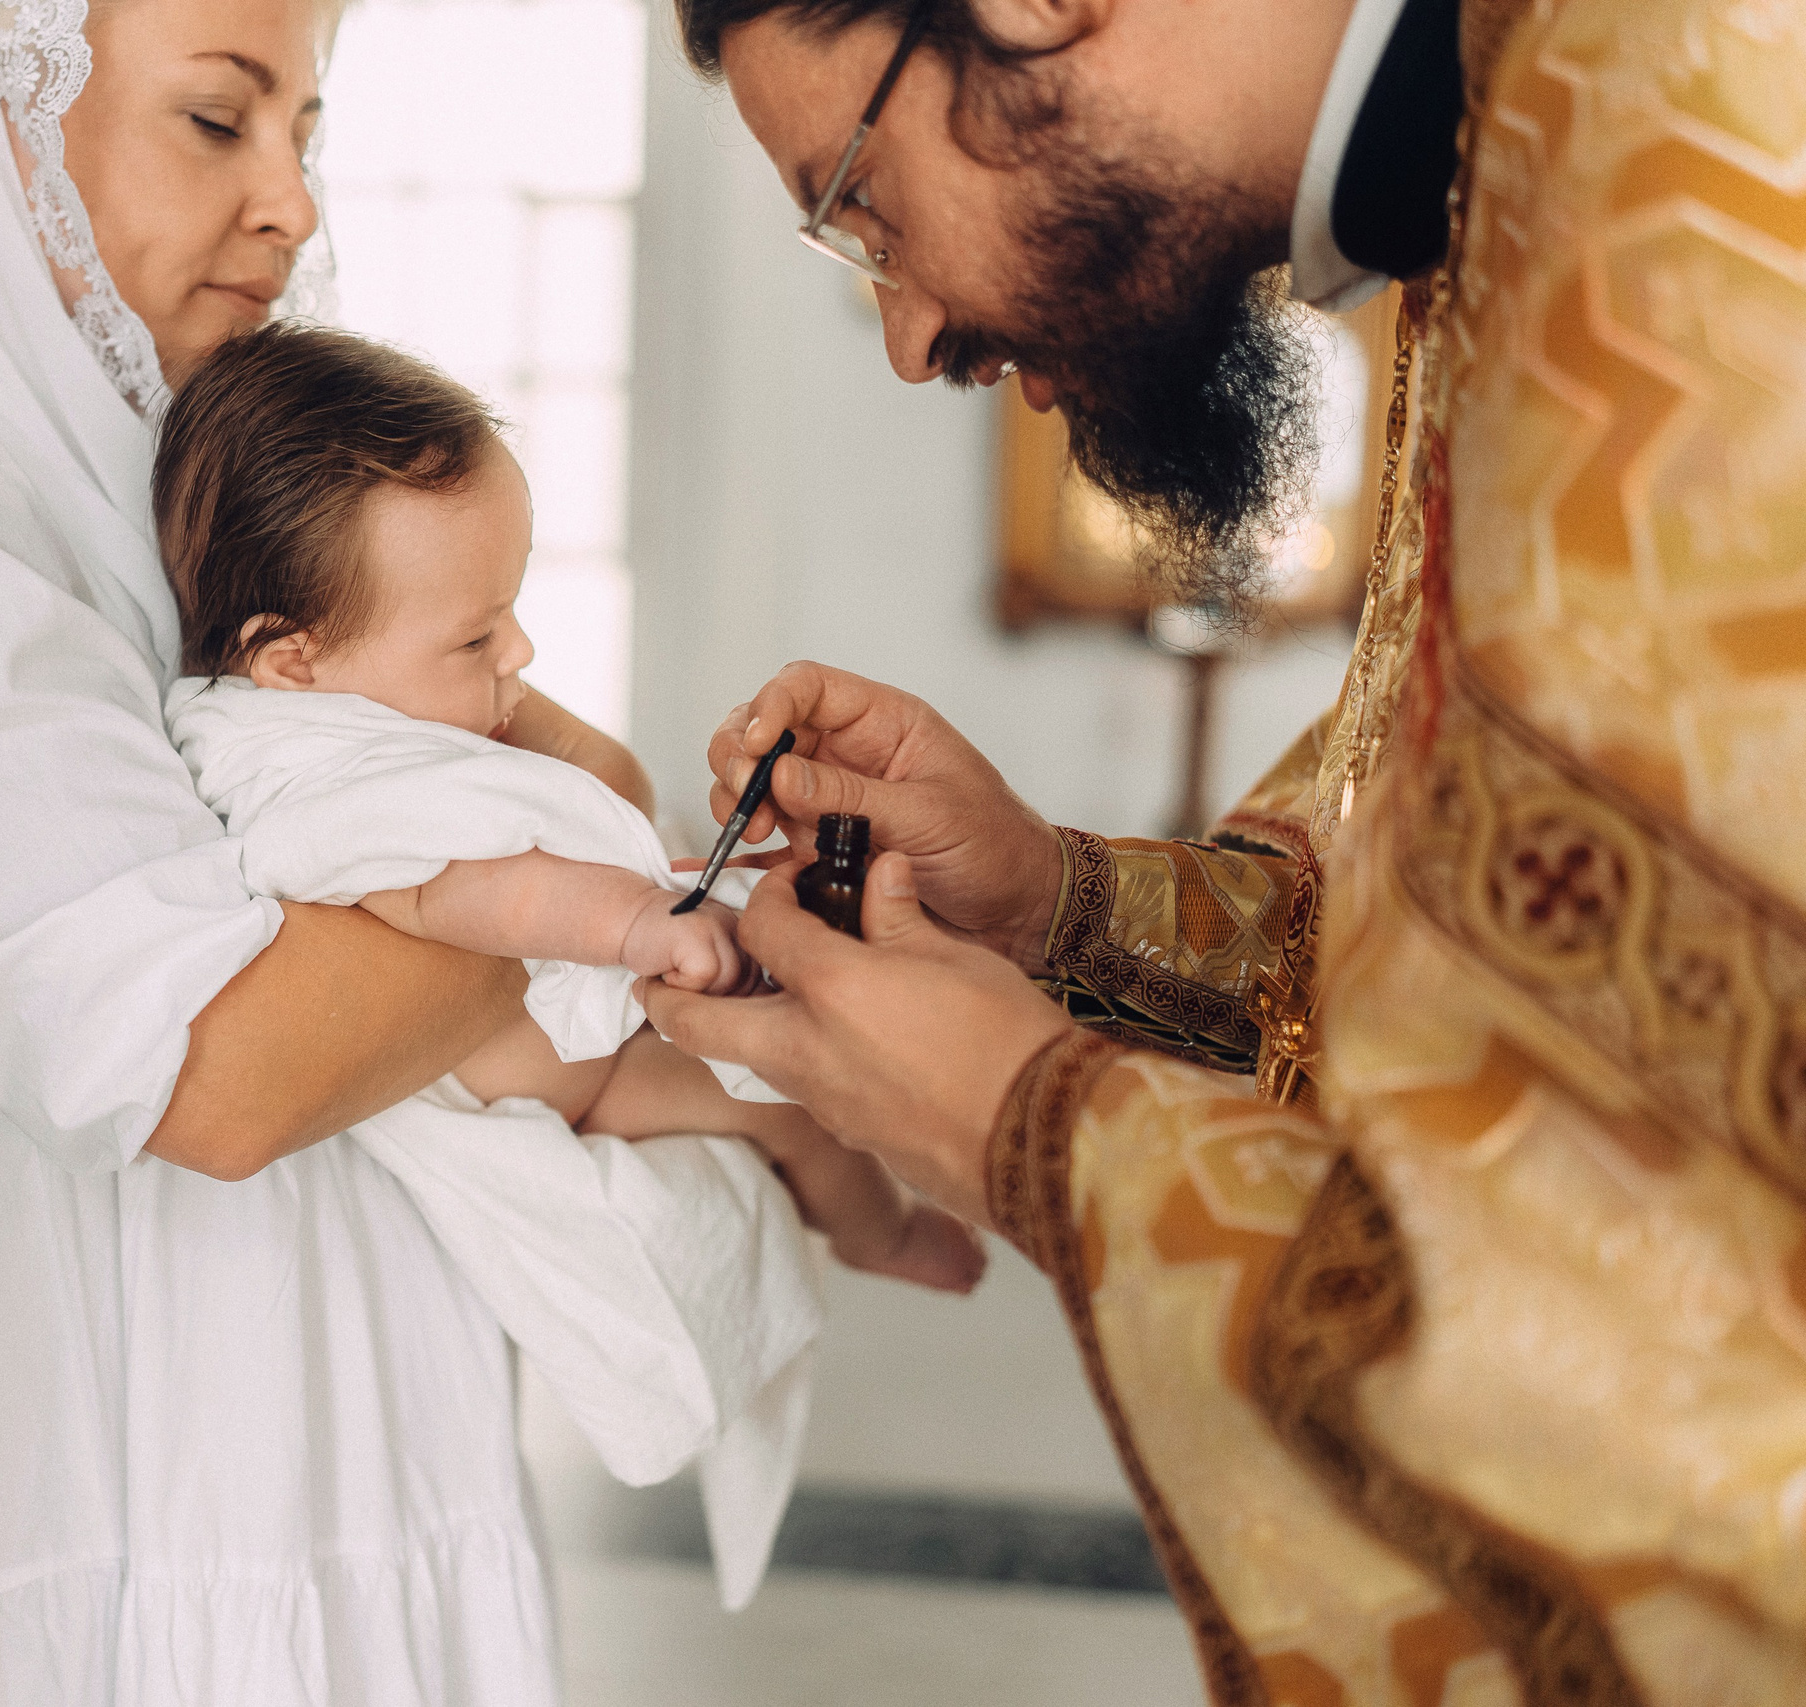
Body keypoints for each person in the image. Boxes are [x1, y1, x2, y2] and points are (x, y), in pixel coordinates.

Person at [0, 0, 858, 1698]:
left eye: (306, 128)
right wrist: (563, 849)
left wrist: (540, 809)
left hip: (339, 1399)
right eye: (219, 122)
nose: (292, 201)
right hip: (61, 1441)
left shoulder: (184, 465)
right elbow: (213, 1066)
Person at [643, 0, 1806, 1699]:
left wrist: (1028, 1126)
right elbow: (1484, 940)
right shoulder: (1513, 154)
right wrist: (1053, 895)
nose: (907, 336)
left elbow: (1671, 1405)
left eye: (864, 205)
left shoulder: (1697, 95)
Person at [159, 319, 982, 1297]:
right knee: (790, 1114)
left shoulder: (335, 698)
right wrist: (635, 920)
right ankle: (878, 1234)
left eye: (510, 609)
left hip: (566, 1016)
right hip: (562, 1078)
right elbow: (475, 893)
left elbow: (577, 799)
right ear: (291, 657)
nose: (518, 654)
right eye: (474, 639)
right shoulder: (324, 774)